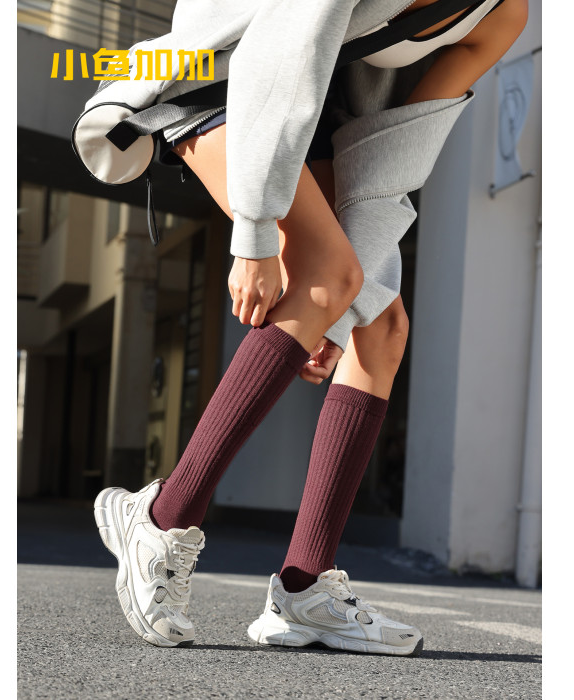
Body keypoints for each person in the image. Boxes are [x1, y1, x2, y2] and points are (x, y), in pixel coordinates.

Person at [93, 0, 528, 656]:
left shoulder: (504, 13)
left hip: (320, 113)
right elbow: (278, 53)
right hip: (222, 81)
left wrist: (344, 310)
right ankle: (160, 517)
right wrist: (255, 234)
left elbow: (394, 154)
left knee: (381, 328)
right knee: (327, 279)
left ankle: (304, 589)